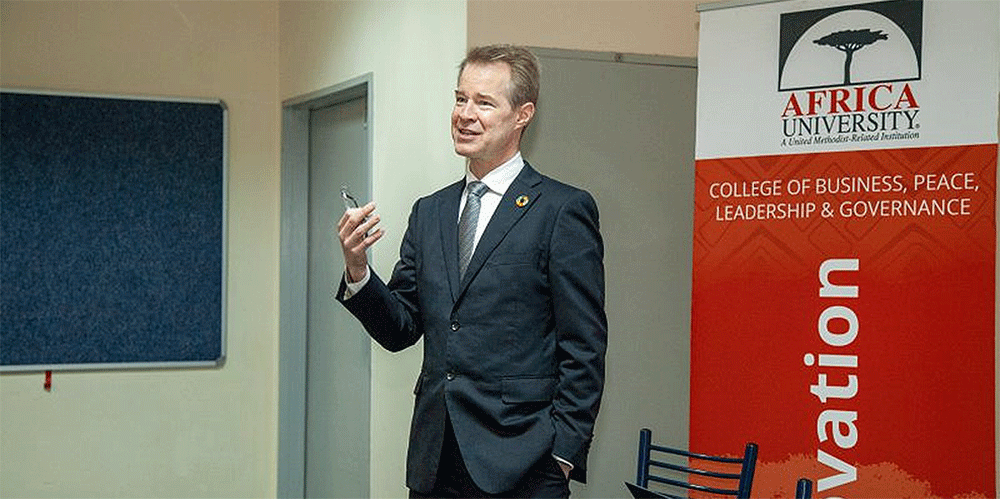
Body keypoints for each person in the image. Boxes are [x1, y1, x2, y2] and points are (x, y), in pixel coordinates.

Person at [335, 44, 607, 498]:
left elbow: (584, 345)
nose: (465, 114)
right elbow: (401, 328)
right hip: (435, 461)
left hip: (525, 464)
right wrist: (358, 270)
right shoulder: (430, 213)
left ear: (522, 115)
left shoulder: (561, 210)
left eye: (484, 102)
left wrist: (562, 454)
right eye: (460, 99)